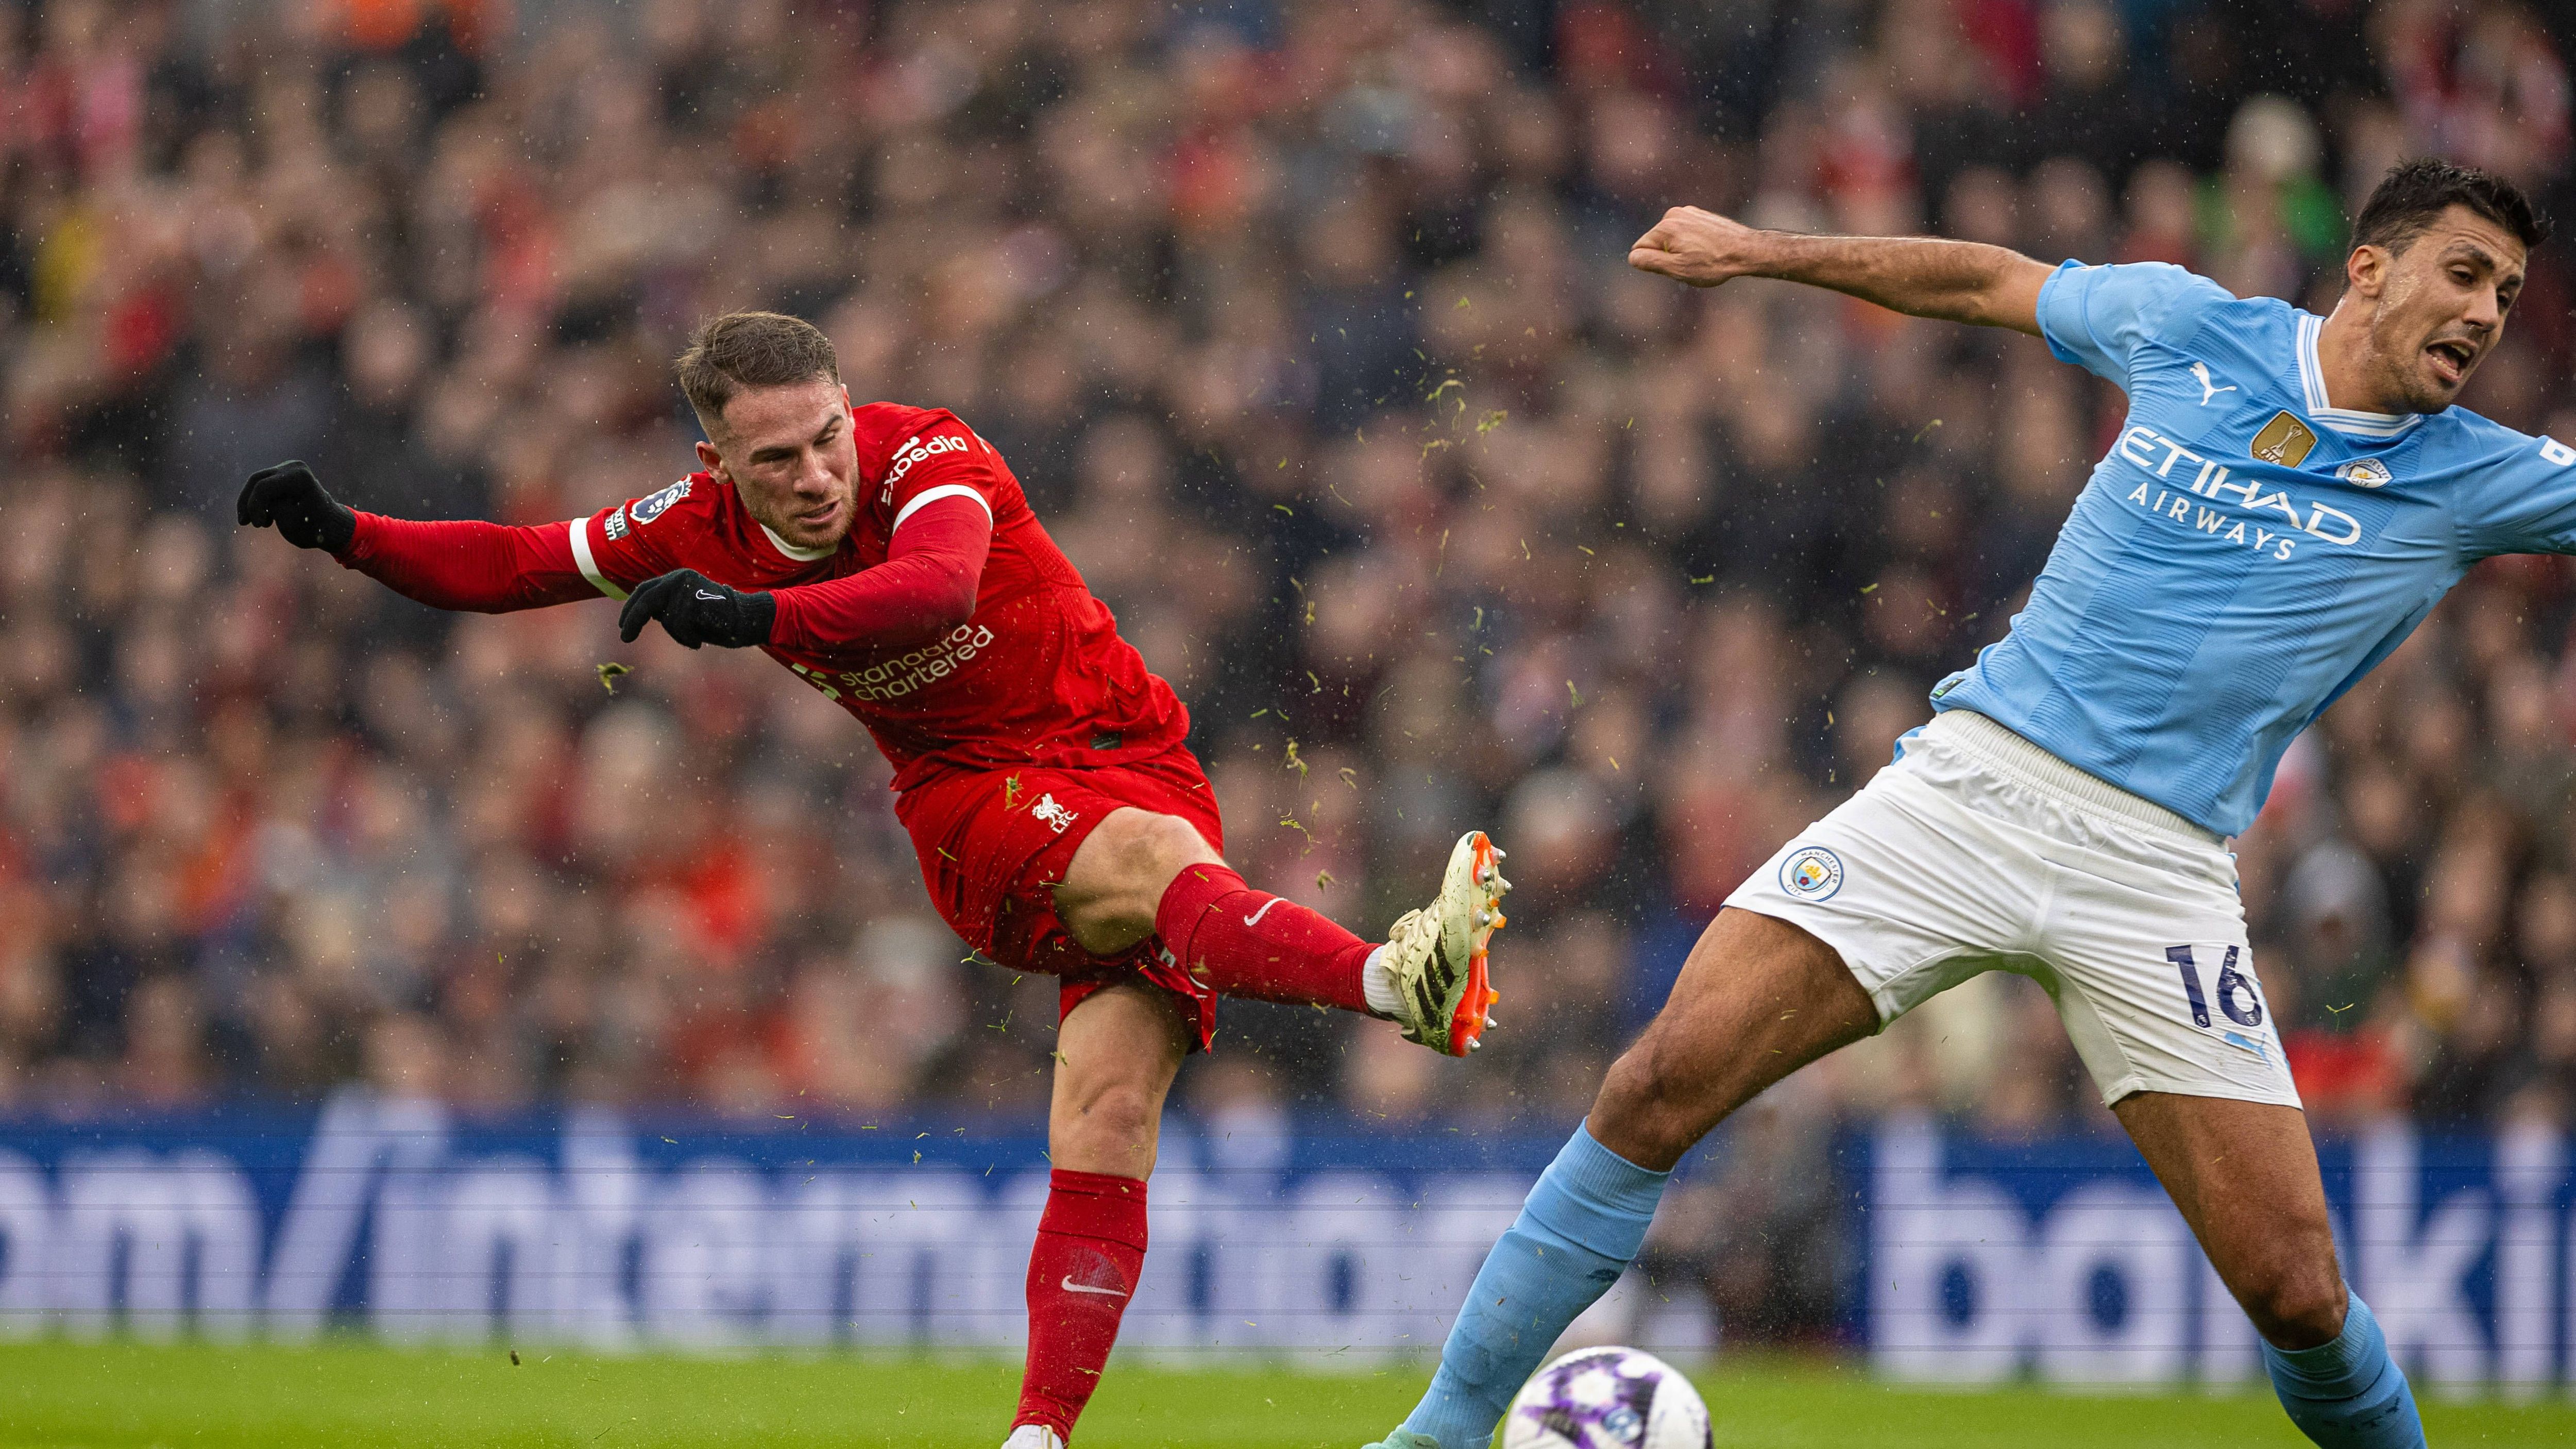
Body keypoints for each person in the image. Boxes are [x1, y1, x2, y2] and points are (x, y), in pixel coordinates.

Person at [1370, 157, 2559, 1449]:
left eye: (2505, 291)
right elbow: (1982, 276)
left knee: (2296, 1290)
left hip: (2158, 871)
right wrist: (1763, 248)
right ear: (2369, 268)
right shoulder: (2186, 324)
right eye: (2464, 273)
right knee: (1658, 1081)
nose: (2487, 312)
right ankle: (1433, 1436)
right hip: (1974, 786)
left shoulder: (2479, 475)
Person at [236, 310, 1511, 1449]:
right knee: (1151, 868)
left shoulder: (929, 455)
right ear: (716, 466)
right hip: (974, 803)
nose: (816, 475)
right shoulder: (692, 529)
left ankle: (1038, 1434)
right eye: (775, 458)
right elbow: (517, 561)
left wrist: (758, 620)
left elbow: (934, 586)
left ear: (854, 412)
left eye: (826, 437)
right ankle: (1390, 981)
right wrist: (347, 535)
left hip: (1143, 760)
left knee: (1110, 1114)